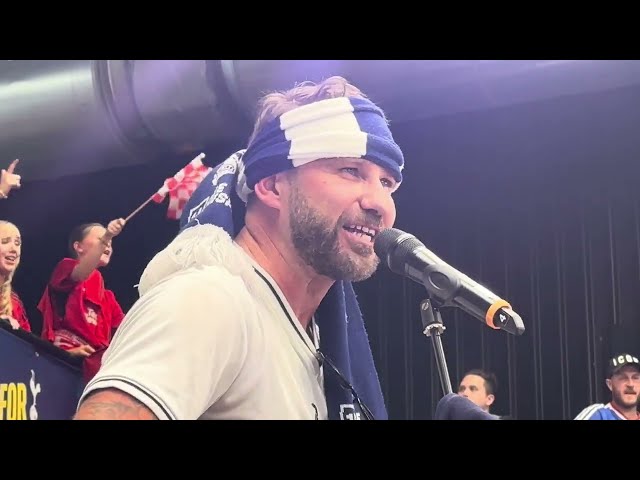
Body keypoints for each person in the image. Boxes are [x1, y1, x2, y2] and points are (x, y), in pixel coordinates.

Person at [73, 75, 405, 420]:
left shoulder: (315, 342)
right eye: (350, 170)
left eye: (387, 182)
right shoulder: (209, 299)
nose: (379, 202)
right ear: (273, 186)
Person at [37, 218, 126, 382]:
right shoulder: (66, 268)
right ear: (78, 246)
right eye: (101, 239)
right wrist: (68, 354)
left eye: (109, 241)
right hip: (63, 361)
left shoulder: (108, 297)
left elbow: (127, 329)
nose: (107, 244)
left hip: (94, 369)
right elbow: (81, 273)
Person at [574, 352, 640, 420]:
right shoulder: (597, 414)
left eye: (635, 378)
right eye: (623, 378)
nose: (630, 384)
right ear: (610, 384)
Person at [0, 220, 31, 331]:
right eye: (5, 241)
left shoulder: (15, 303)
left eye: (17, 244)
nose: (14, 249)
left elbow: (28, 346)